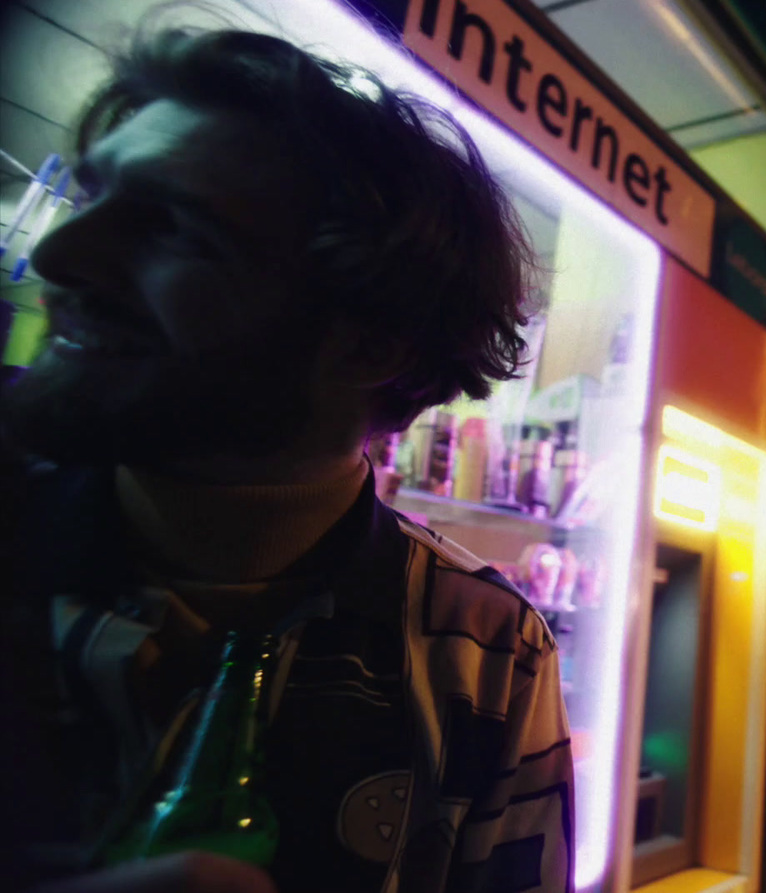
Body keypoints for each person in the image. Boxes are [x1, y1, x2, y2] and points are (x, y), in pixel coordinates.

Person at [0, 26, 575, 893]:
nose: (57, 256)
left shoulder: (487, 647)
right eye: (92, 201)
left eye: (174, 229)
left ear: (371, 343)